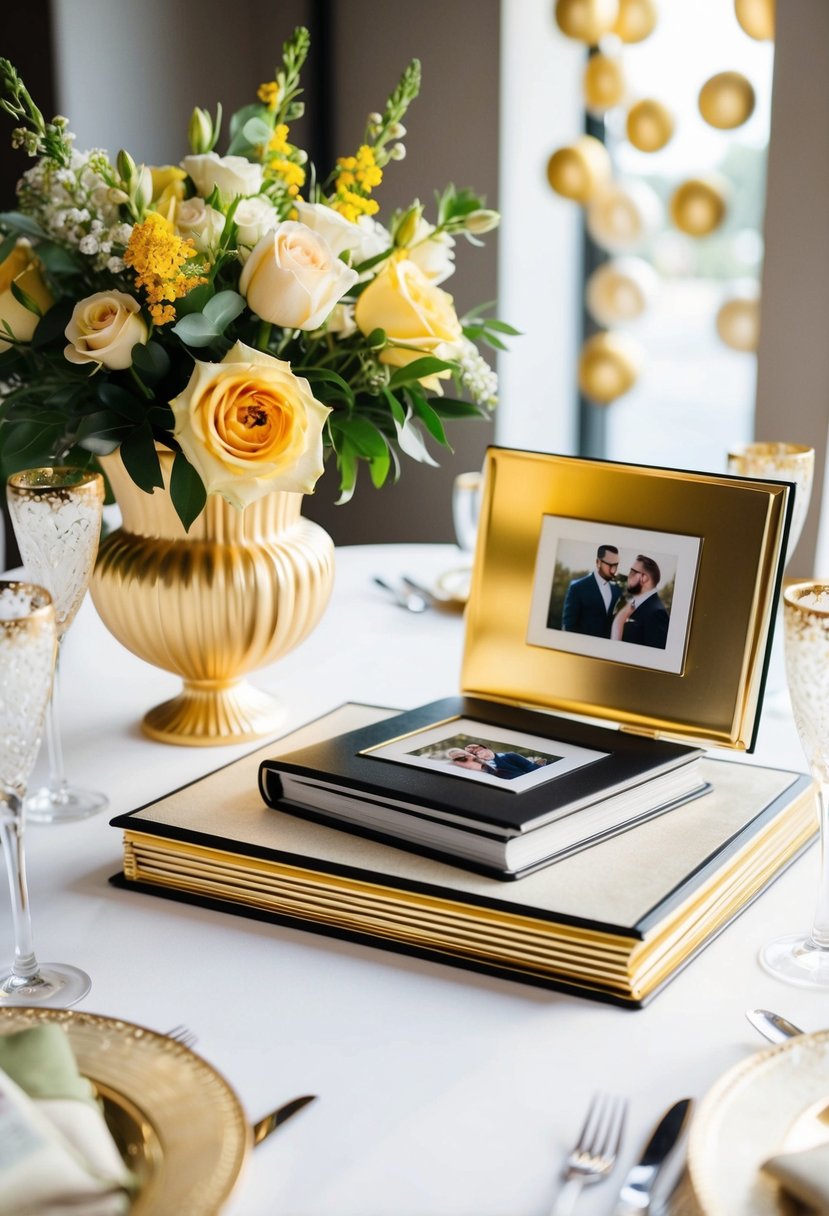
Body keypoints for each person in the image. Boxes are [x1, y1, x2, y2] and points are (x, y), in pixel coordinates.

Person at [558, 544, 622, 637]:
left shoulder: (617, 590)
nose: (613, 570)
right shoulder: (577, 588)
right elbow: (568, 626)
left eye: (616, 565)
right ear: (598, 562)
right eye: (610, 565)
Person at [611, 555, 669, 649]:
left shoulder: (657, 613)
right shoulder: (632, 604)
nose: (628, 576)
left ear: (644, 578)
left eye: (632, 572)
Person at [463, 742, 541, 780]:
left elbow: (530, 768)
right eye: (475, 754)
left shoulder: (509, 755)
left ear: (486, 748)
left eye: (479, 750)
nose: (482, 754)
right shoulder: (481, 767)